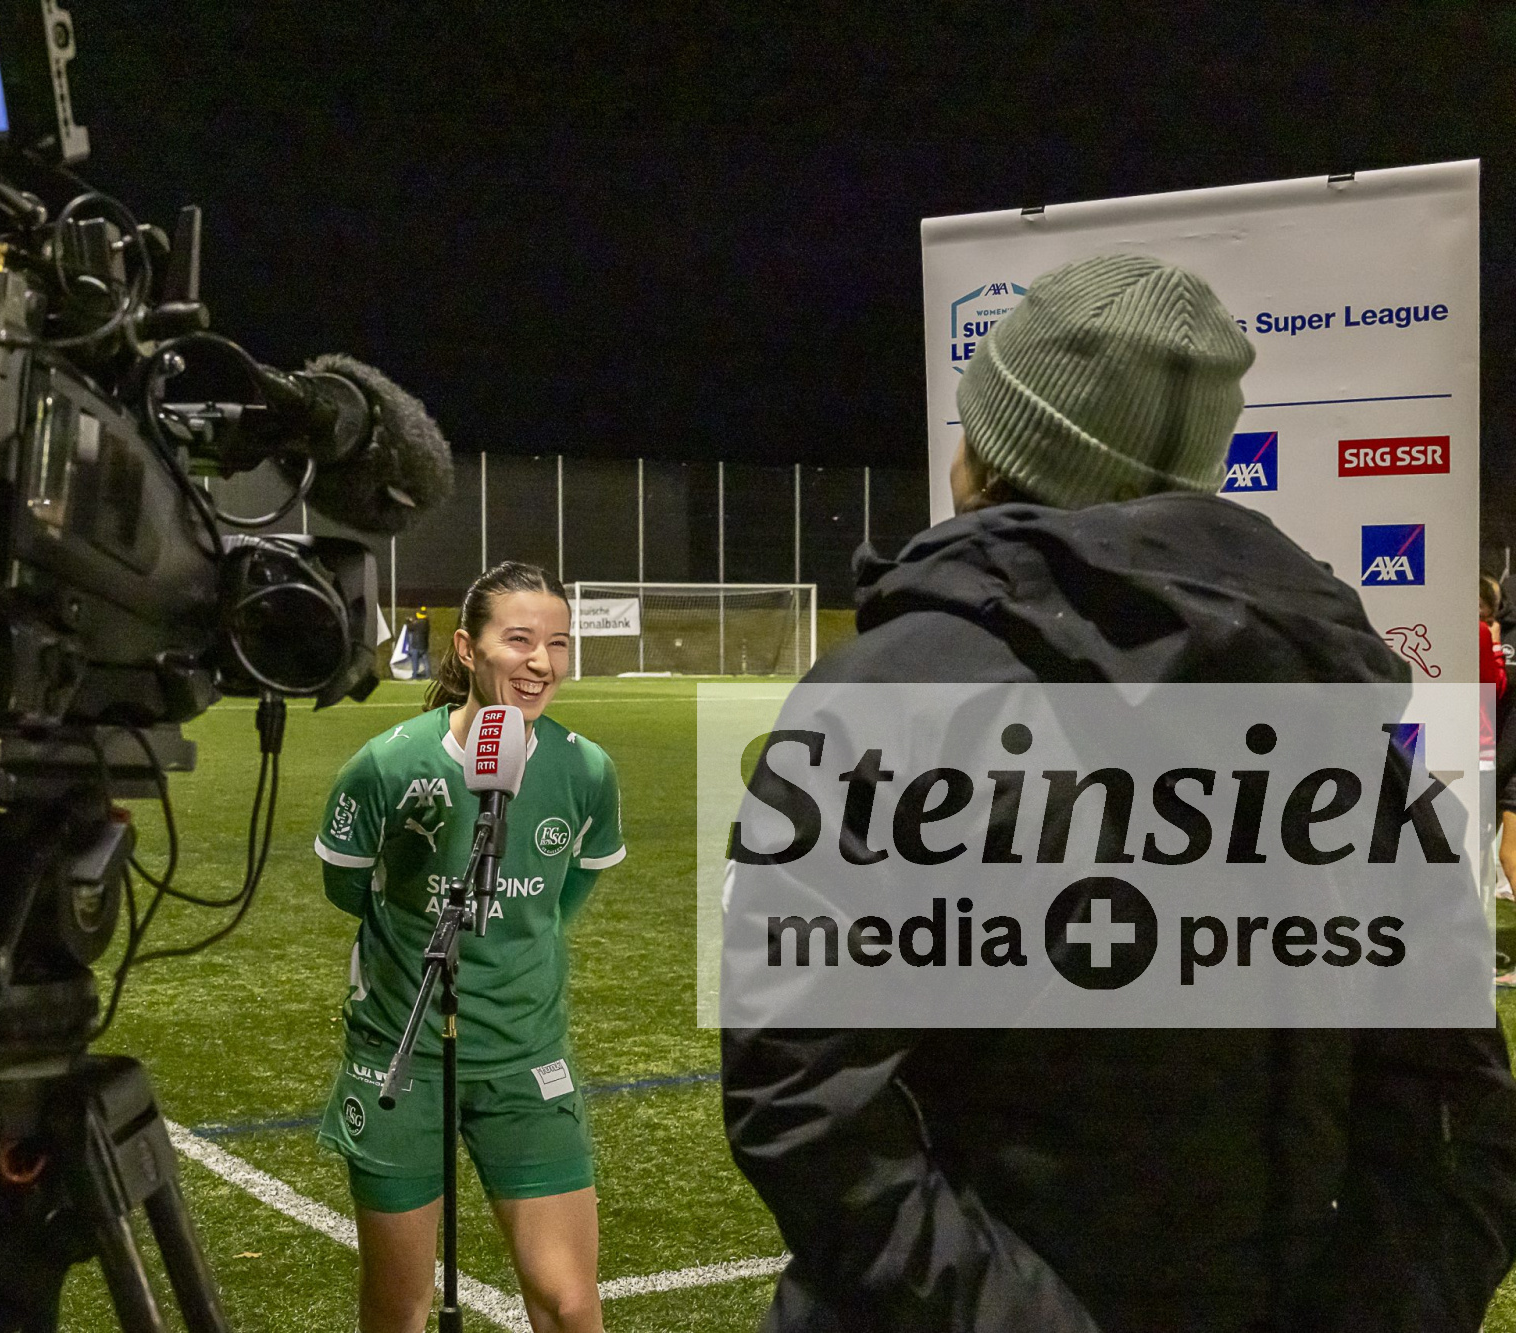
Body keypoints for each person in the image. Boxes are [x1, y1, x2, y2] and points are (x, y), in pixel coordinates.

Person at [722, 254, 1516, 1332]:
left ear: (989, 451)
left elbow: (804, 1102)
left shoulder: (887, 697)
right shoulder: (1336, 704)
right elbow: (1452, 1112)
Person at [314, 561, 624, 1333]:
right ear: (465, 647)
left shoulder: (587, 771)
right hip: (401, 1055)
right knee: (400, 1306)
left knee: (570, 1301)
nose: (542, 661)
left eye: (558, 642)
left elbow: (563, 898)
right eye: (519, 639)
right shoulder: (387, 765)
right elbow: (348, 885)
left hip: (525, 1054)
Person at [406, 606, 432, 679]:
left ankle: (414, 675)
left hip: (416, 646)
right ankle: (428, 675)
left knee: (415, 662)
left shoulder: (416, 624)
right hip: (424, 646)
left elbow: (409, 628)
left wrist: (409, 621)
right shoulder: (426, 624)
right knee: (426, 662)